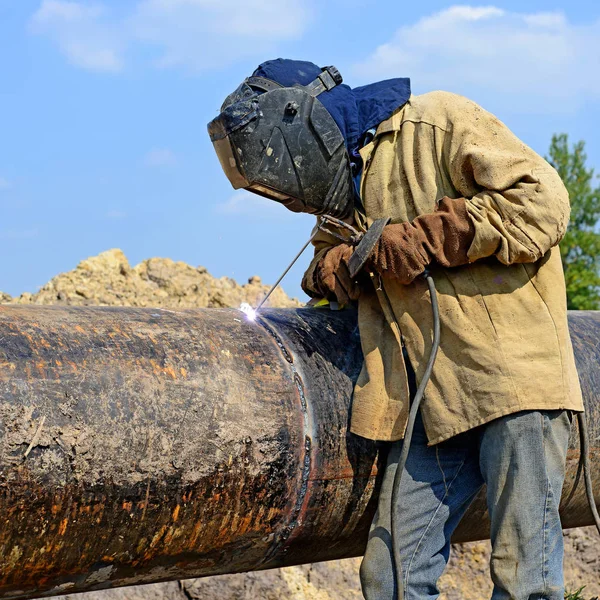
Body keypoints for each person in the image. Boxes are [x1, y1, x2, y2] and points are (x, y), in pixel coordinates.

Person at [209, 59, 584, 600]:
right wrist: (341, 266)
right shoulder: (345, 185)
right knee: (391, 579)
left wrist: (423, 239)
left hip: (514, 388)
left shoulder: (438, 122)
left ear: (303, 125)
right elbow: (322, 264)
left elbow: (542, 201)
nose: (292, 200)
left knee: (526, 582)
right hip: (430, 405)